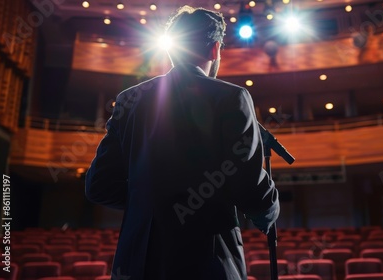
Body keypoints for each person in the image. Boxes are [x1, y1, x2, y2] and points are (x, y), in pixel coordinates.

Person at [85, 5, 279, 280]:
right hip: (207, 263)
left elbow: (98, 187)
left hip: (137, 264)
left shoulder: (129, 100)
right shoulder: (232, 98)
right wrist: (270, 209)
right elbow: (248, 189)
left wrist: (152, 201)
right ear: (215, 49)